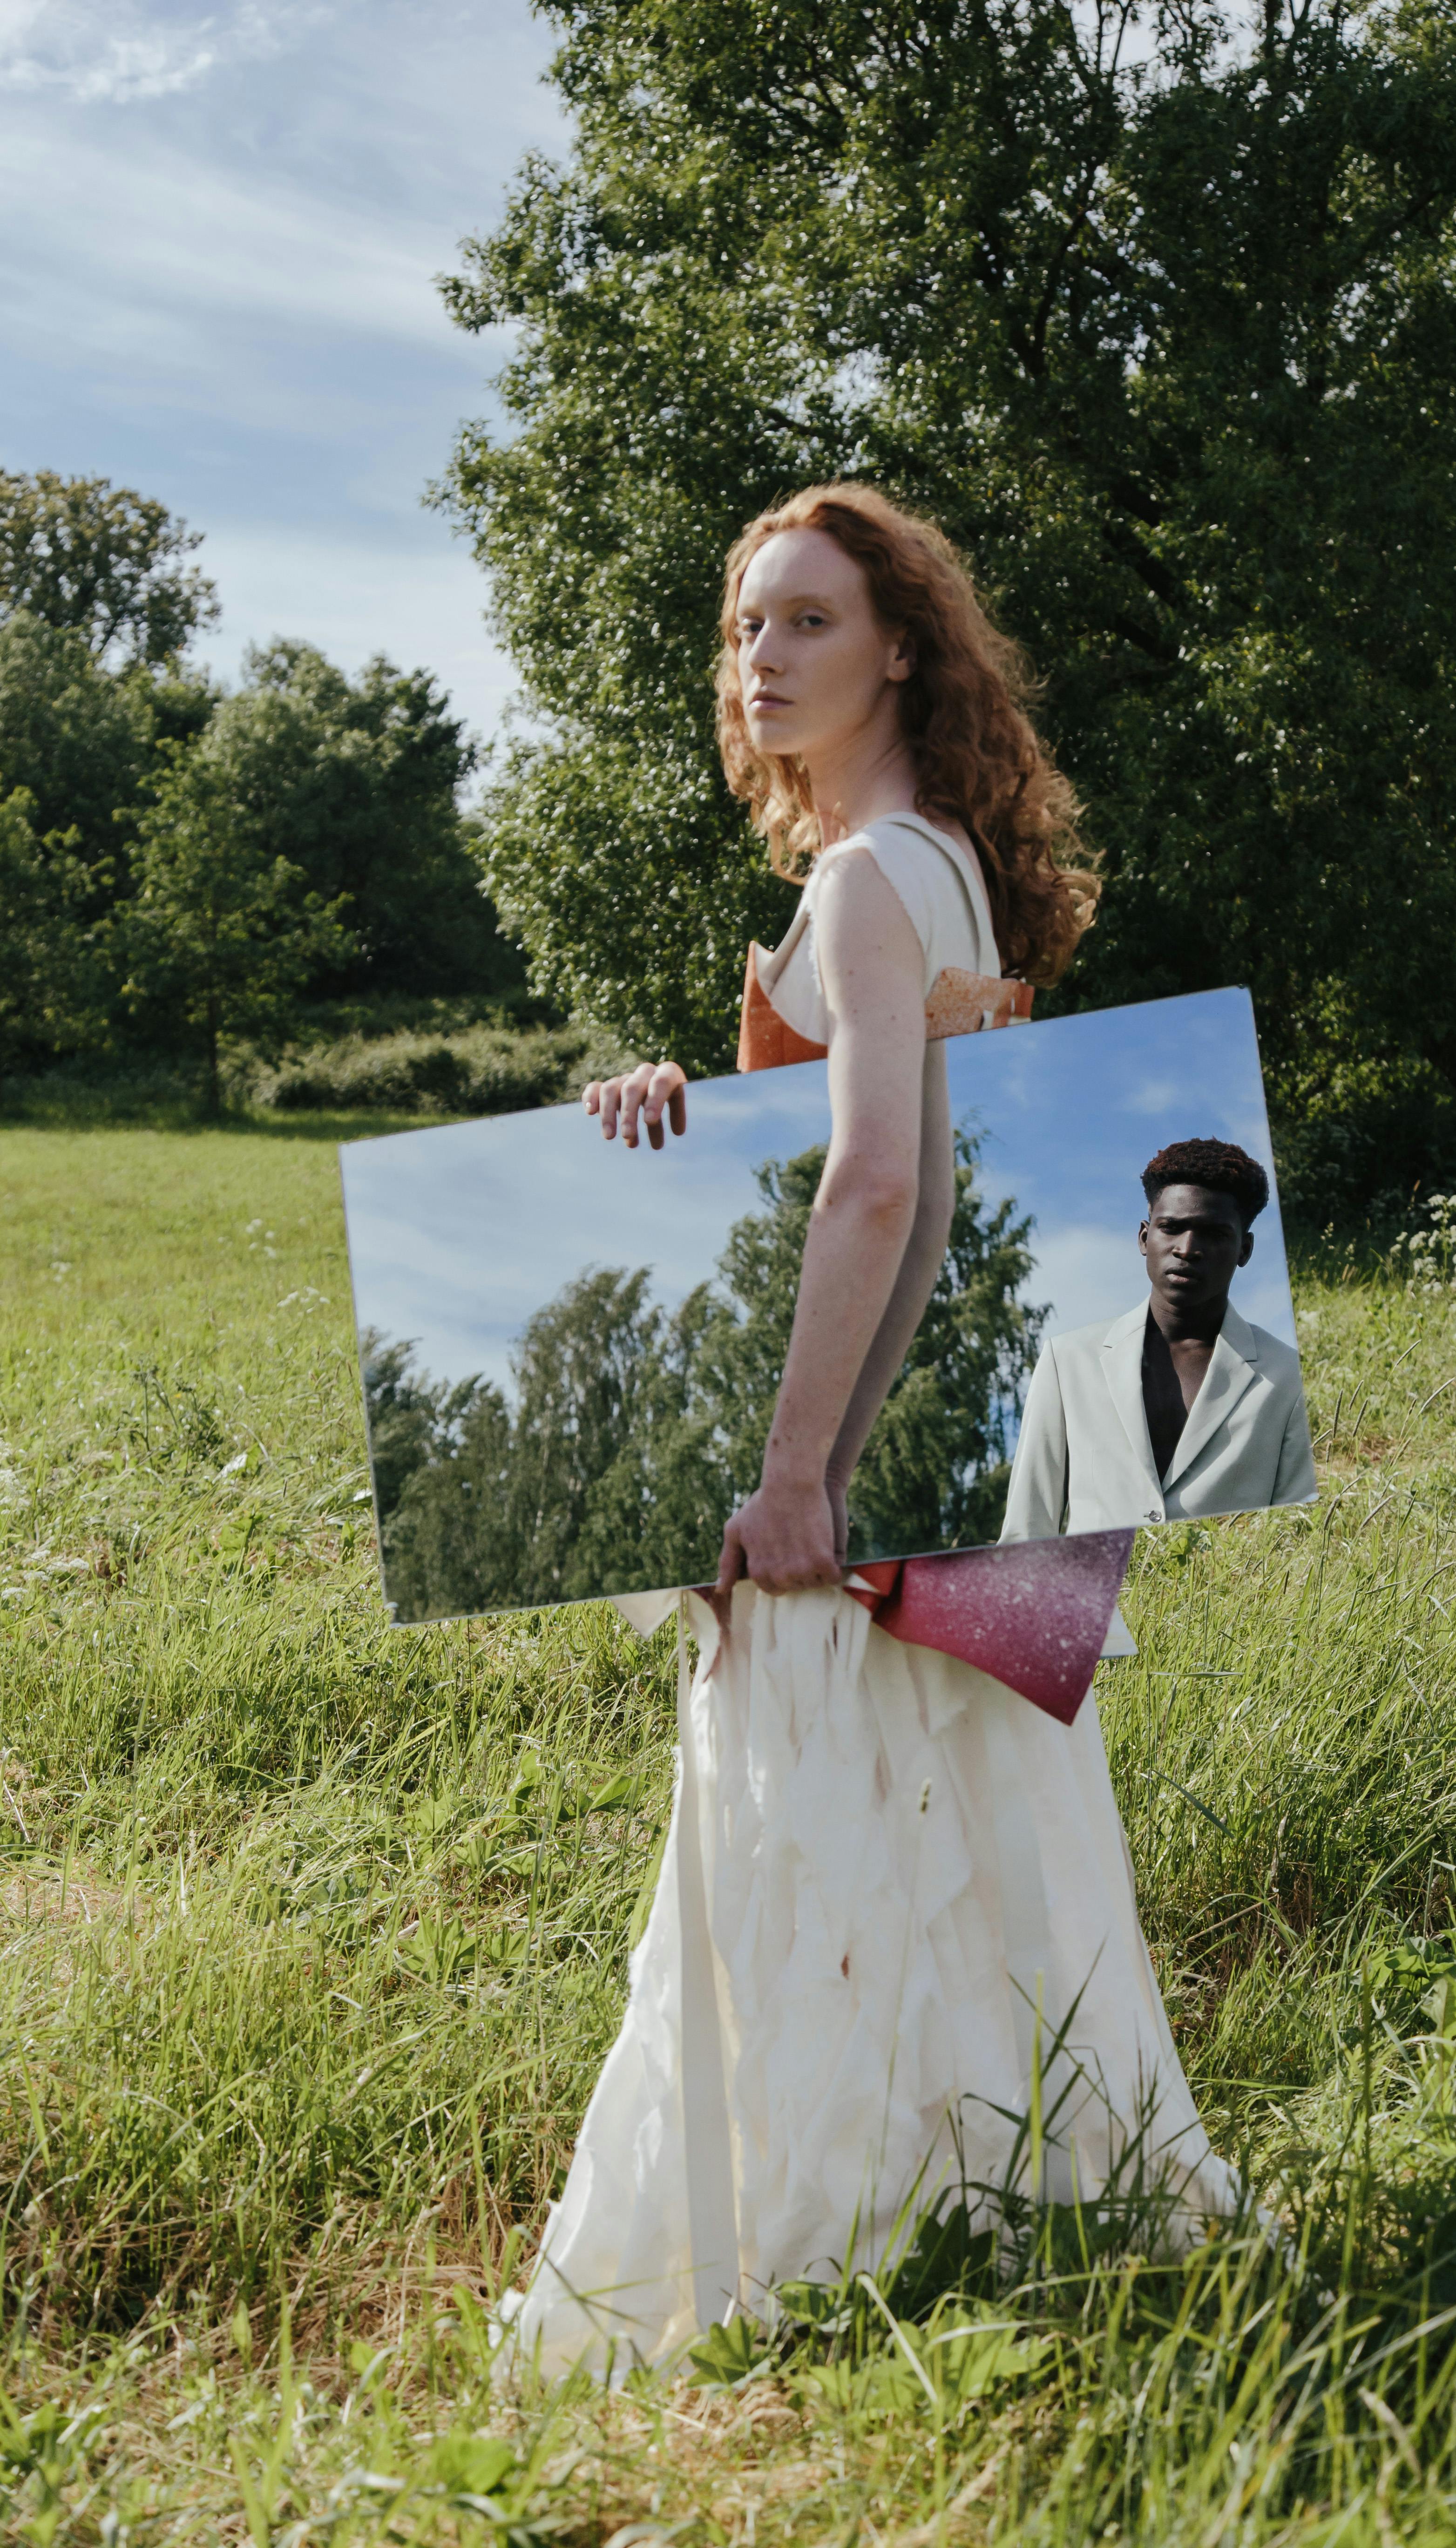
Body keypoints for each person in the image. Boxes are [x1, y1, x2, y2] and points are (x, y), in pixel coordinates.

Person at [500, 485, 1243, 2381]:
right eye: (748, 627)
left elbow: (878, 1189)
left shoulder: (864, 878)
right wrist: (680, 1105)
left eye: (810, 623)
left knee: (817, 1883)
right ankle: (1008, 2242)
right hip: (983, 1491)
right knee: (973, 1875)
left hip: (873, 1499)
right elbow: (846, 1161)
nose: (763, 660)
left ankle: (815, 2274)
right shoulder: (935, 877)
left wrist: (799, 1477)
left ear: (902, 646)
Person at [1002, 1139, 1317, 1540]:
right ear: (1144, 1237)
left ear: (1245, 1249)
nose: (1187, 1249)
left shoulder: (1288, 1376)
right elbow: (1026, 1531)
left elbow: (1299, 1540)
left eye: (1214, 1234)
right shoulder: (1068, 1361)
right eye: (1171, 1228)